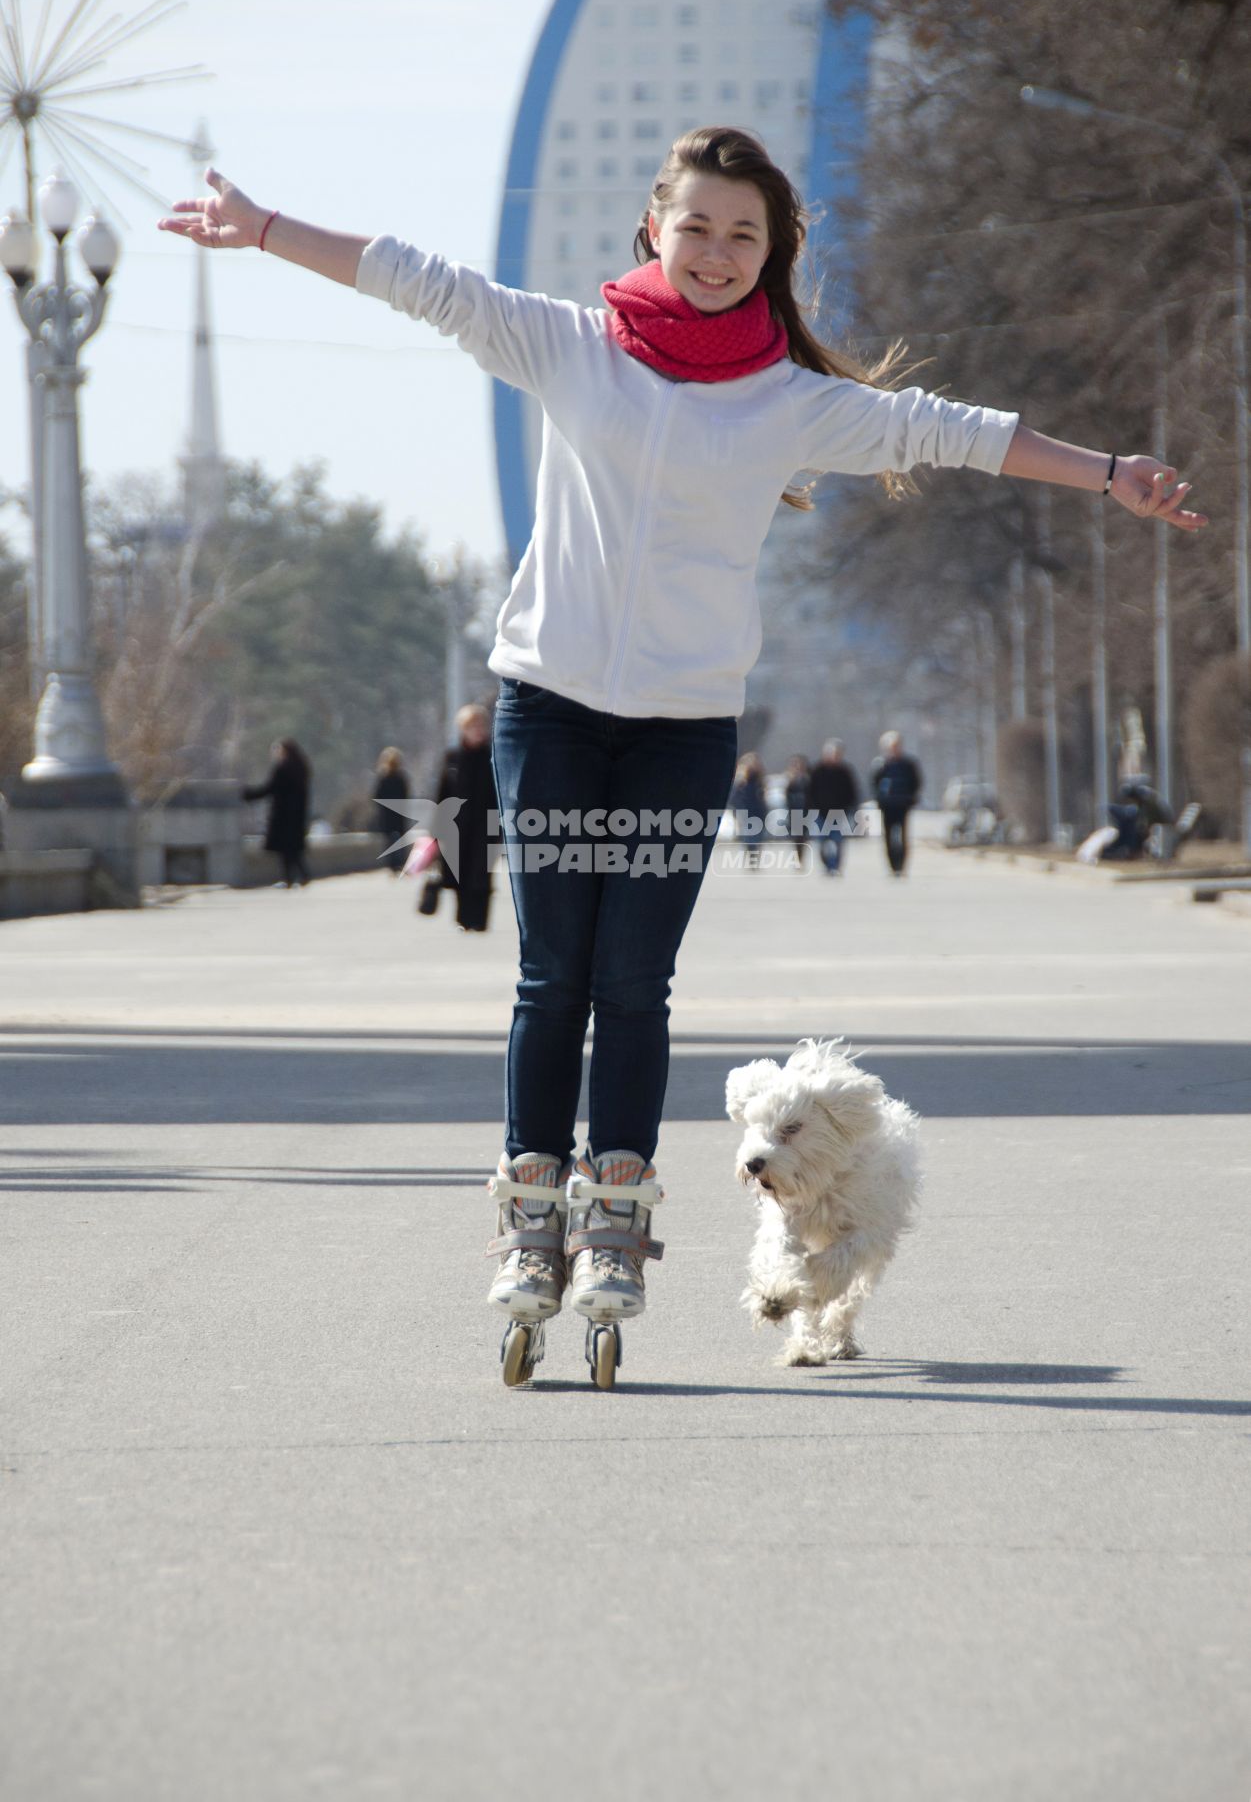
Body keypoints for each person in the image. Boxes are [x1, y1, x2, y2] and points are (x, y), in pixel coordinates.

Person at [161, 125, 1205, 1389]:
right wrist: (267, 229)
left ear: (772, 257)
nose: (716, 252)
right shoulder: (566, 345)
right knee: (555, 971)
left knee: (634, 977)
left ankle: (615, 1210)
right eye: (697, 226)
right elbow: (414, 276)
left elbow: (947, 430)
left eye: (743, 235)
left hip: (681, 733)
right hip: (547, 708)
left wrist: (1109, 474)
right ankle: (532, 1196)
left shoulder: (793, 403)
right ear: (654, 227)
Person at [434, 704, 498, 932]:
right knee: (458, 872)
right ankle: (462, 918)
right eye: (472, 726)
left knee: (481, 873)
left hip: (486, 826)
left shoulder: (493, 756)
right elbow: (442, 794)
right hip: (457, 827)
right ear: (463, 729)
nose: (477, 730)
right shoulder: (453, 758)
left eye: (480, 725)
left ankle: (480, 919)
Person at [242, 738, 311, 888]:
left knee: (286, 851)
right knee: (294, 851)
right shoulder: (302, 768)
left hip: (283, 816)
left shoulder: (282, 768)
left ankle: (289, 879)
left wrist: (247, 794)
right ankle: (302, 876)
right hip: (297, 816)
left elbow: (269, 789)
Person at [872, 731, 923, 877]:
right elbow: (874, 783)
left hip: (903, 804)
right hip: (887, 806)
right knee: (888, 836)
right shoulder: (881, 765)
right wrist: (879, 799)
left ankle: (902, 864)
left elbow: (916, 781)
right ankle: (892, 865)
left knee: (903, 835)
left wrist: (911, 796)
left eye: (897, 746)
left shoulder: (908, 764)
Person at [807, 739, 861, 875]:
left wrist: (851, 808)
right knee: (822, 842)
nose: (834, 756)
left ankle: (835, 866)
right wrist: (811, 808)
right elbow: (809, 791)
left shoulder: (845, 772)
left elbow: (852, 792)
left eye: (837, 754)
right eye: (831, 753)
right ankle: (827, 865)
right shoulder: (817, 771)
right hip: (820, 813)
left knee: (838, 841)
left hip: (839, 813)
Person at [372, 746, 411, 872]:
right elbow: (406, 795)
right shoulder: (401, 778)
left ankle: (393, 864)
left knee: (389, 839)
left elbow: (377, 796)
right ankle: (401, 862)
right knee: (400, 838)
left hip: (387, 814)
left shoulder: (383, 778)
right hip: (399, 812)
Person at [728, 752, 769, 869]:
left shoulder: (760, 780)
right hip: (745, 812)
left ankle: (755, 858)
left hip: (758, 812)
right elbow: (735, 797)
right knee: (748, 837)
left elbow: (764, 796)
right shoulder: (741, 780)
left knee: (758, 837)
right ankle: (751, 858)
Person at [783, 754, 811, 870]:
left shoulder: (807, 779)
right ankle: (797, 859)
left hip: (805, 813)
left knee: (802, 838)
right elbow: (787, 797)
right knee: (796, 838)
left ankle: (801, 859)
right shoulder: (790, 780)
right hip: (794, 813)